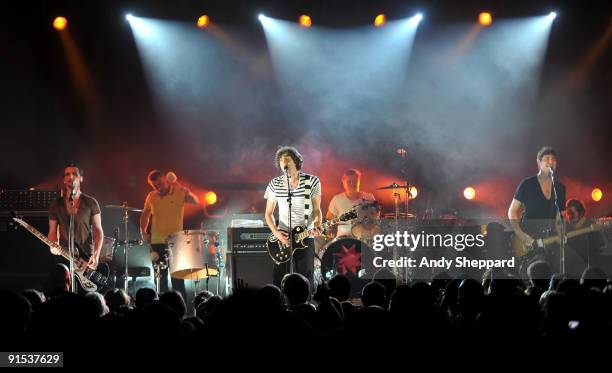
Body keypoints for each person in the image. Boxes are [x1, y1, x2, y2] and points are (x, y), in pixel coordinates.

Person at [264, 146, 323, 289]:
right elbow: (268, 213)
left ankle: (305, 306)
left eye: (287, 159)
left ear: (296, 162)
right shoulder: (275, 184)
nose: (284, 162)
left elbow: (317, 209)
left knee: (305, 277)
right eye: (281, 160)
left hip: (305, 235)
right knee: (279, 278)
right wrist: (276, 233)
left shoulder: (312, 181)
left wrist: (318, 224)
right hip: (283, 237)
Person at [140, 170, 199, 295]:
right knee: (160, 280)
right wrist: (143, 231)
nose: (159, 187)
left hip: (176, 242)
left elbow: (195, 201)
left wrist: (189, 193)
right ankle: (162, 310)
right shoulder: (151, 196)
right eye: (156, 185)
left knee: (177, 279)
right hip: (156, 243)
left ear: (166, 180)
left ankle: (181, 312)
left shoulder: (179, 193)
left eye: (160, 183)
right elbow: (145, 215)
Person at [508, 147, 566, 272]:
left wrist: (561, 232)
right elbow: (512, 211)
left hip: (549, 241)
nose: (551, 162)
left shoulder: (560, 188)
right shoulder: (527, 184)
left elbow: (558, 216)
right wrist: (522, 235)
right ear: (539, 162)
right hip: (529, 238)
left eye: (553, 159)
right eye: (547, 159)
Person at [47, 164, 104, 277]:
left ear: (81, 178)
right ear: (64, 180)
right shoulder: (56, 205)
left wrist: (96, 255)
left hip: (86, 257)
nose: (71, 176)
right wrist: (53, 245)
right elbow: (52, 231)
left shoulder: (91, 202)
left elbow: (98, 231)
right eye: (67, 174)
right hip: (64, 255)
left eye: (74, 174)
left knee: (84, 294)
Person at [326, 168, 377, 238]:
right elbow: (328, 219)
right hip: (343, 240)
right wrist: (329, 231)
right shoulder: (337, 199)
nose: (352, 184)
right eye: (349, 182)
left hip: (364, 238)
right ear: (344, 183)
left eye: (355, 181)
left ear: (359, 182)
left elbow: (376, 217)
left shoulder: (369, 197)